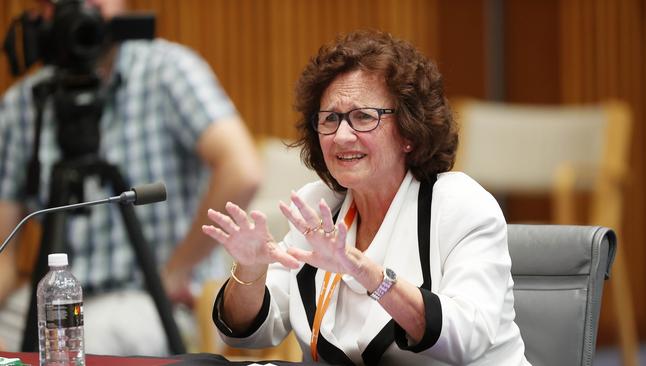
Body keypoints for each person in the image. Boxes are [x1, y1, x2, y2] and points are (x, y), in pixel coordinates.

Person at [202, 30, 531, 365]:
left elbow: (465, 340)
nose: (342, 135)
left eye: (363, 117)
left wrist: (370, 276)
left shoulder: (458, 205)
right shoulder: (319, 207)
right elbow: (251, 332)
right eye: (330, 119)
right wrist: (251, 269)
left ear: (409, 132)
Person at [0, 0, 261, 355]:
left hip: (152, 297)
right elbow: (4, 253)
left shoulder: (167, 70)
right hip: (54, 294)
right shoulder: (24, 104)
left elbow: (242, 170)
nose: (84, 11)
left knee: (79, 345)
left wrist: (177, 270)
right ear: (43, 14)